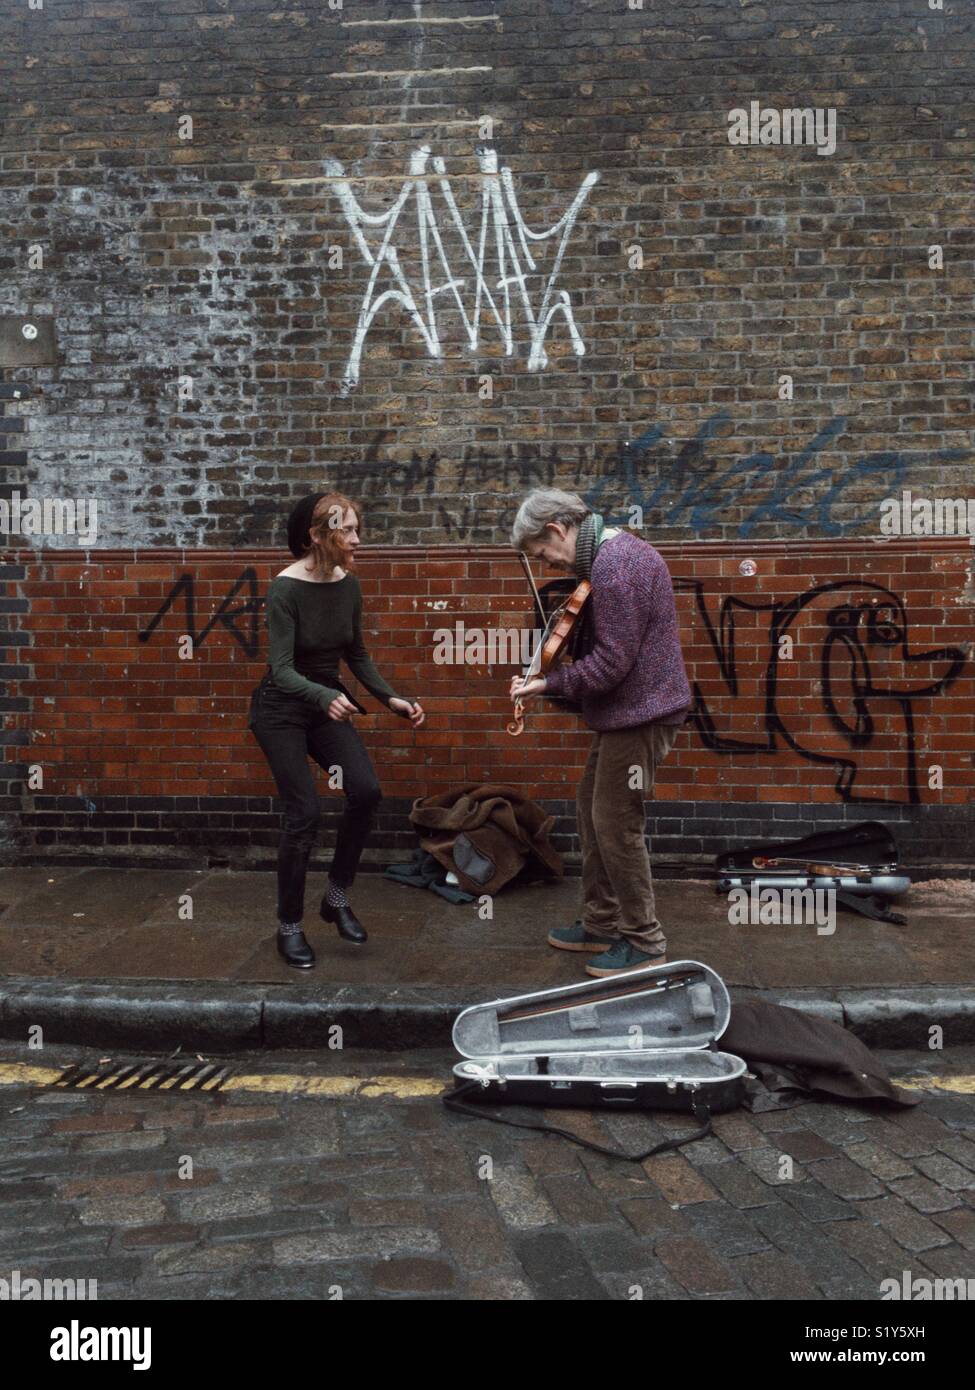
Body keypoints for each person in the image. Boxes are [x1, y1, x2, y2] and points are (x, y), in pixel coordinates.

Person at [509, 489, 691, 977]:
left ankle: (645, 941)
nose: (546, 564)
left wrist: (549, 682)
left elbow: (612, 662)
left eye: (542, 553)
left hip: (642, 715)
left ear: (557, 529)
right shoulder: (603, 560)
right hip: (626, 714)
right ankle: (601, 922)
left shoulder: (617, 564)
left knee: (616, 824)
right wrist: (548, 680)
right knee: (592, 813)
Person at [248, 491, 424, 969]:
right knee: (303, 813)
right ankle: (289, 926)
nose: (356, 538)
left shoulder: (349, 586)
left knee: (365, 791)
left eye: (356, 528)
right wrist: (325, 695)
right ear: (318, 535)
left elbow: (358, 654)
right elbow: (280, 669)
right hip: (281, 710)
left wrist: (392, 698)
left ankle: (336, 898)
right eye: (345, 530)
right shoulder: (285, 589)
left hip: (327, 706)